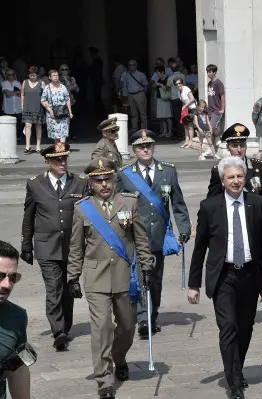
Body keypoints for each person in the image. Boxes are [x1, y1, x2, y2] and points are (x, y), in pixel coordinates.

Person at [67, 157, 154, 399]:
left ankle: (119, 357)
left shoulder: (129, 202)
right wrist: (72, 276)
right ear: (91, 182)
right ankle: (104, 380)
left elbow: (141, 239)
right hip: (96, 278)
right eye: (98, 180)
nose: (104, 184)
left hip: (126, 276)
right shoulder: (82, 208)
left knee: (127, 326)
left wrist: (146, 267)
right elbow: (76, 247)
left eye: (108, 178)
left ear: (114, 178)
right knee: (102, 327)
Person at [188, 156, 262, 399]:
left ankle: (238, 367)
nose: (236, 181)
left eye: (239, 176)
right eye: (230, 177)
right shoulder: (209, 206)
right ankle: (233, 383)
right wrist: (194, 284)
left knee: (245, 327)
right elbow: (200, 247)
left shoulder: (258, 203)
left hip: (250, 274)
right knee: (229, 327)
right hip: (224, 276)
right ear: (222, 180)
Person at [116, 129, 191, 338]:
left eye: (148, 145)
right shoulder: (125, 174)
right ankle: (143, 318)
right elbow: (119, 203)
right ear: (134, 150)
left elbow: (178, 203)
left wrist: (184, 228)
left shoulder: (167, 171)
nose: (145, 149)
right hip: (135, 235)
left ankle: (153, 314)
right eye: (140, 146)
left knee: (155, 280)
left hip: (159, 235)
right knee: (140, 276)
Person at [20, 142, 87, 350]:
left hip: (72, 246)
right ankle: (58, 331)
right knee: (54, 288)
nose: (62, 162)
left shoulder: (80, 183)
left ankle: (66, 327)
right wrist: (26, 245)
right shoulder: (35, 184)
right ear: (47, 162)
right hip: (46, 246)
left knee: (69, 289)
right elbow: (28, 216)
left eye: (65, 158)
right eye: (58, 159)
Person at [0, 241, 33, 399]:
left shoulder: (17, 317)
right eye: (0, 276)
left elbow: (17, 367)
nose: (7, 285)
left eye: (12, 277)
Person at [207, 123, 262, 201]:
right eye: (234, 145)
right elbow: (212, 201)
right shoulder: (219, 170)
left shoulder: (259, 167)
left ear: (246, 146)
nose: (239, 150)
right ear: (228, 147)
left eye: (242, 145)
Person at [40, 69, 72, 144]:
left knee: (63, 132)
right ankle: (58, 149)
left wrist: (70, 112)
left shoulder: (63, 87)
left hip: (63, 113)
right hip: (52, 114)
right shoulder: (47, 88)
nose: (56, 77)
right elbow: (43, 100)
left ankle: (62, 149)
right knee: (55, 134)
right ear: (50, 77)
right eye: (54, 75)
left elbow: (67, 99)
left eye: (57, 75)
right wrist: (50, 110)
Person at [20, 65, 45, 154]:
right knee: (27, 125)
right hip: (27, 107)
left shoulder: (41, 83)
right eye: (30, 74)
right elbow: (22, 94)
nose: (32, 76)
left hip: (38, 107)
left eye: (34, 74)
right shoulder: (24, 82)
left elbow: (45, 95)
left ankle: (38, 146)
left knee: (38, 125)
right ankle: (28, 145)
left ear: (37, 74)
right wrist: (22, 106)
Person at [120, 60, 148, 130]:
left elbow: (146, 85)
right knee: (133, 113)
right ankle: (134, 128)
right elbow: (124, 86)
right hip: (130, 95)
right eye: (129, 65)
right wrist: (125, 97)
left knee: (143, 113)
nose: (131, 66)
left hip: (139, 94)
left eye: (133, 65)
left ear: (136, 66)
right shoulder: (125, 74)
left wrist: (143, 94)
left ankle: (144, 129)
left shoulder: (141, 74)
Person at [174, 76, 197, 149]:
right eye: (176, 84)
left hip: (192, 108)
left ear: (182, 83)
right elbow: (183, 101)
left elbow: (192, 99)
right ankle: (186, 141)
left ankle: (190, 141)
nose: (178, 85)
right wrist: (183, 108)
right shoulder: (179, 92)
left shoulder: (186, 88)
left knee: (190, 126)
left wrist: (185, 106)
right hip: (186, 109)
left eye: (179, 83)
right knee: (185, 125)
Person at [206, 64, 226, 140]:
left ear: (214, 72)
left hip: (217, 110)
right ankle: (216, 142)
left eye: (210, 72)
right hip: (210, 110)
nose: (208, 74)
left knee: (211, 127)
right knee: (210, 128)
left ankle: (214, 143)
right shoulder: (209, 84)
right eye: (207, 72)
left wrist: (222, 108)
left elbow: (222, 96)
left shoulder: (218, 83)